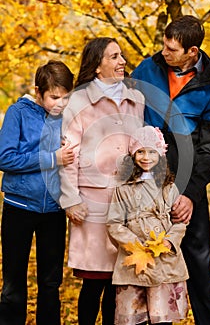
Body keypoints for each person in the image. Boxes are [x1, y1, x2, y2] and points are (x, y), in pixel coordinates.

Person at [131, 15, 210, 325]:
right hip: (144, 185)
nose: (164, 52)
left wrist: (189, 194)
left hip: (187, 186)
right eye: (163, 44)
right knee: (146, 263)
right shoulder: (148, 68)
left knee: (198, 266)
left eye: (172, 48)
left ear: (192, 51)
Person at [59, 37, 145, 325]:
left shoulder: (137, 99)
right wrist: (71, 198)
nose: (122, 62)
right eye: (114, 57)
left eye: (121, 56)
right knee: (93, 281)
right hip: (92, 203)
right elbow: (67, 154)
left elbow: (140, 147)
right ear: (97, 66)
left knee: (118, 283)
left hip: (128, 204)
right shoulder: (78, 101)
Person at [0, 60, 75, 325]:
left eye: (66, 97)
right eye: (55, 97)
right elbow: (5, 158)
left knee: (51, 283)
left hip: (54, 211)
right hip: (19, 207)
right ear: (38, 91)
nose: (61, 103)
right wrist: (51, 158)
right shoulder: (17, 113)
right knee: (13, 283)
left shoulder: (67, 117)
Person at [107, 125, 189, 325]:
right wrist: (134, 244)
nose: (146, 157)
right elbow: (114, 223)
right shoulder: (123, 188)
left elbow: (179, 222)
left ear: (160, 155)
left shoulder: (169, 186)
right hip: (134, 260)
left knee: (162, 318)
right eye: (141, 151)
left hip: (164, 261)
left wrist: (169, 242)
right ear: (133, 155)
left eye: (152, 152)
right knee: (135, 317)